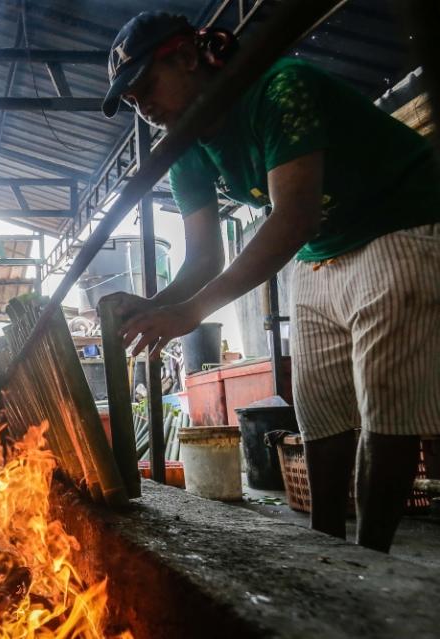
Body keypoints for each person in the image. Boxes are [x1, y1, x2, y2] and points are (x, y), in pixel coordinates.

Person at [100, 11, 440, 552]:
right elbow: (203, 257)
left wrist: (187, 314)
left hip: (398, 223)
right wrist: (155, 305)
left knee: (386, 410)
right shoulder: (185, 142)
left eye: (146, 87)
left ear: (187, 57)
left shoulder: (282, 88)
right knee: (321, 411)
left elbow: (293, 217)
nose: (145, 108)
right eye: (134, 103)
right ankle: (327, 552)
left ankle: (371, 561)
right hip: (322, 249)